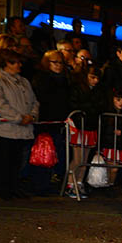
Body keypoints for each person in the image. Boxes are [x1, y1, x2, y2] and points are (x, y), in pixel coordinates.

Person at [0, 49, 38, 200]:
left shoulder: (24, 81)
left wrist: (32, 116)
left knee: (17, 162)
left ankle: (14, 187)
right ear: (5, 63)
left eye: (19, 62)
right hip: (4, 129)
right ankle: (3, 189)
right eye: (14, 62)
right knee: (3, 161)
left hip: (22, 129)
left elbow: (34, 101)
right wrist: (18, 117)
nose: (18, 65)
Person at [31, 50, 72, 193]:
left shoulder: (65, 80)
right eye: (55, 62)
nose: (58, 65)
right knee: (43, 153)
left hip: (59, 123)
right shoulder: (41, 79)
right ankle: (40, 184)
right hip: (45, 123)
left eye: (61, 62)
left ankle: (50, 182)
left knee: (57, 153)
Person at [66, 66, 107, 199]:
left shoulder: (99, 91)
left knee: (85, 159)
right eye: (92, 77)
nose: (95, 81)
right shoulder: (77, 88)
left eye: (97, 78)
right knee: (77, 158)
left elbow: (101, 106)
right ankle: (70, 184)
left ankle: (79, 182)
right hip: (79, 127)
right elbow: (75, 105)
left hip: (90, 127)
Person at [100, 88, 122, 186]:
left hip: (118, 145)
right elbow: (103, 128)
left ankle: (110, 184)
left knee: (114, 169)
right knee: (107, 167)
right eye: (118, 100)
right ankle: (107, 184)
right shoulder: (107, 113)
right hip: (108, 143)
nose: (121, 103)